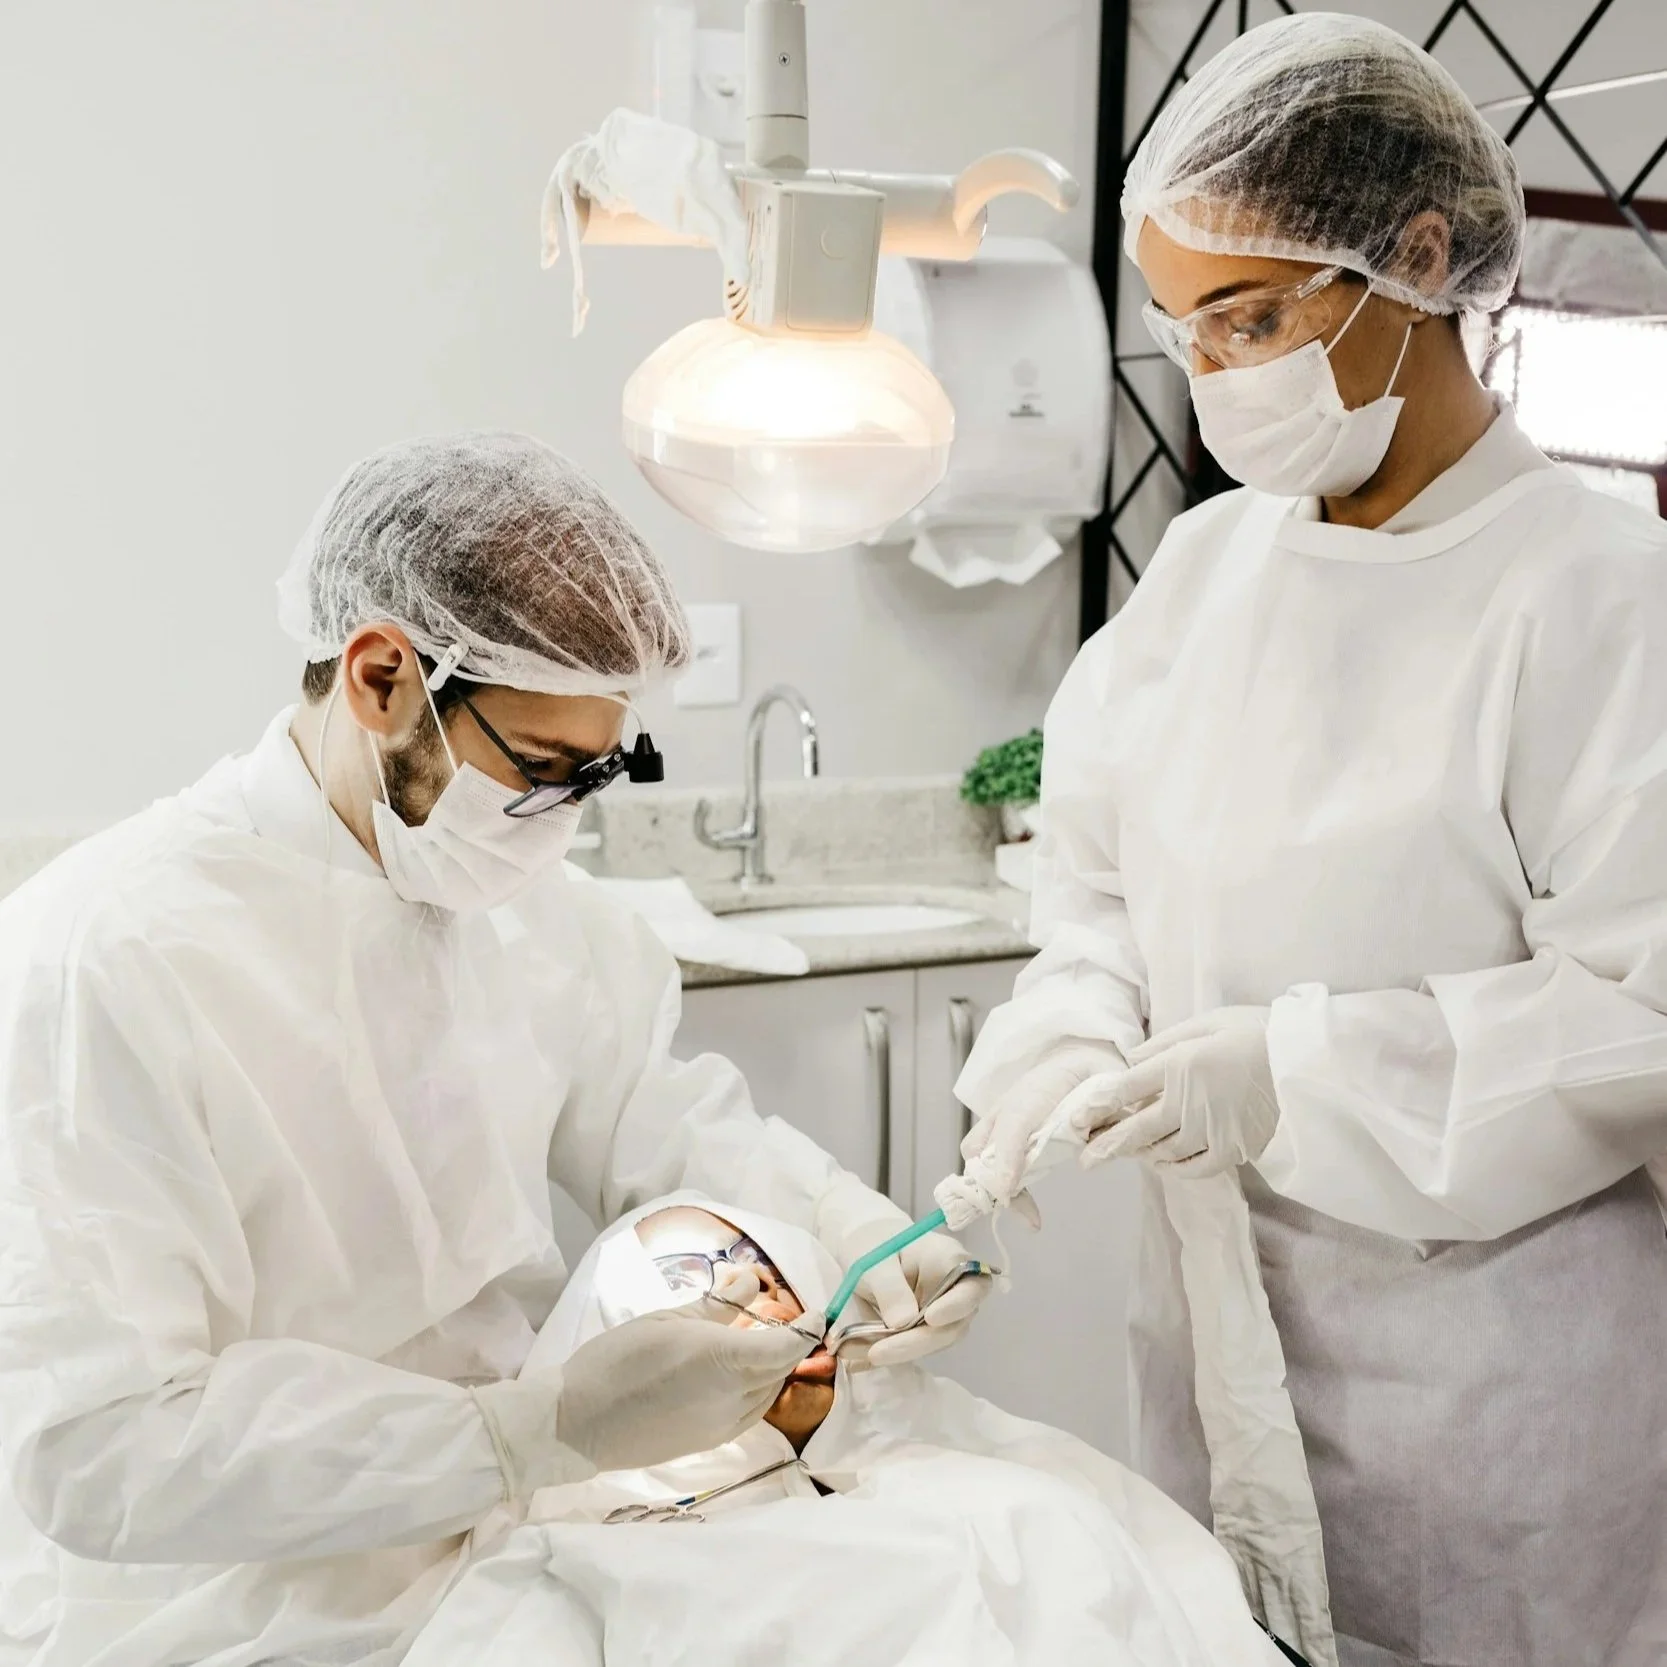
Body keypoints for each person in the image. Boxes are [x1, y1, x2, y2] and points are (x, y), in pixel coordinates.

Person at [0, 432, 987, 1667]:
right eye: (538, 770)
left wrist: (852, 1230)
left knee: (991, 1563)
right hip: (231, 1596)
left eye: (598, 772)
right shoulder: (106, 955)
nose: (560, 820)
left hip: (508, 1533)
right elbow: (100, 1450)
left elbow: (660, 1120)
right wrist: (529, 1429)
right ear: (379, 678)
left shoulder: (526, 906)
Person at [954, 14, 1667, 1667]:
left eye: (1251, 317)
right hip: (1213, 1353)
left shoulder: (1598, 600)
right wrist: (1061, 1037)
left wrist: (1296, 1070)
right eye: (1189, 332)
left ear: (1414, 260)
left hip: (1492, 1407)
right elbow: (1096, 894)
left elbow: (1642, 1005)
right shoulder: (1202, 582)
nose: (1218, 378)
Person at [399, 1193, 1292, 1667]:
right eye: (690, 1280)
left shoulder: (1000, 1475)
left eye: (756, 1261)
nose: (750, 1285)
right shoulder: (578, 1563)